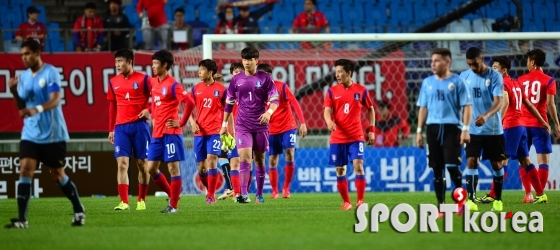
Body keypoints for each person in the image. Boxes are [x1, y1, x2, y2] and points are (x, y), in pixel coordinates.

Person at [5, 40, 85, 228]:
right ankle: (22, 220)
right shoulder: (23, 77)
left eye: (27, 54)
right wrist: (14, 91)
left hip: (52, 133)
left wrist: (37, 109)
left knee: (57, 175)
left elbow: (56, 100)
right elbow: (22, 108)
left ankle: (79, 209)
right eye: (22, 55)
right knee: (25, 169)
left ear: (37, 53)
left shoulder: (50, 73)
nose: (24, 58)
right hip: (31, 132)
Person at [476, 56, 549, 204]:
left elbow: (505, 102)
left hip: (510, 127)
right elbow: (528, 104)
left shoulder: (502, 84)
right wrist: (543, 121)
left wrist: (496, 123)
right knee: (525, 161)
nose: (492, 70)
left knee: (501, 161)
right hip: (521, 127)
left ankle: (492, 194)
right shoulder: (516, 83)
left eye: (496, 68)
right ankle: (541, 195)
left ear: (504, 70)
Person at [219, 47, 279, 203]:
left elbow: (275, 100)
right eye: (244, 59)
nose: (246, 63)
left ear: (256, 61)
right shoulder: (236, 79)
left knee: (259, 160)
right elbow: (229, 103)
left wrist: (268, 113)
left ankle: (259, 194)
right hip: (242, 125)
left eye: (250, 59)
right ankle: (243, 194)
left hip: (260, 125)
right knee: (245, 158)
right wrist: (224, 124)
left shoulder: (265, 78)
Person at [416, 48, 471, 216]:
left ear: (447, 62)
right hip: (432, 129)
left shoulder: (458, 82)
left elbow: (467, 106)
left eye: (437, 61)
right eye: (432, 61)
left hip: (452, 128)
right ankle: (441, 207)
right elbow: (423, 108)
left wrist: (465, 129)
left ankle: (460, 202)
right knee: (437, 170)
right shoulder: (427, 82)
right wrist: (419, 131)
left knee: (453, 167)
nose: (433, 64)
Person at [146, 50, 194, 213]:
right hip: (157, 134)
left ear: (164, 65)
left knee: (173, 168)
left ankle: (173, 205)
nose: (153, 66)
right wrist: (151, 114)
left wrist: (181, 122)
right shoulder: (153, 82)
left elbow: (190, 102)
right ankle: (172, 194)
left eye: (155, 63)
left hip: (171, 133)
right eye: (152, 63)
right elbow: (154, 104)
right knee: (151, 168)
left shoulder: (173, 84)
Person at [323, 59, 375, 210]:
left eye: (340, 72)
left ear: (349, 73)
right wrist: (328, 122)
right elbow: (327, 109)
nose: (337, 75)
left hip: (355, 136)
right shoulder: (332, 91)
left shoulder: (361, 90)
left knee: (358, 165)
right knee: (340, 169)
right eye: (336, 72)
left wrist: (371, 130)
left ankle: (360, 201)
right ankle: (346, 202)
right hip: (337, 137)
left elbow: (370, 109)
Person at [459, 47, 506, 212]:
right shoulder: (463, 76)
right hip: (472, 130)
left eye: (475, 64)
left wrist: (486, 116)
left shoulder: (495, 76)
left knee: (497, 165)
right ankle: (471, 200)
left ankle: (498, 200)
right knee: (471, 161)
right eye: (469, 64)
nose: (472, 67)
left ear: (482, 59)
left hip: (492, 129)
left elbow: (498, 101)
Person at [107, 49, 152, 211]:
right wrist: (111, 129)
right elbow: (112, 106)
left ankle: (141, 199)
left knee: (142, 164)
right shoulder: (113, 82)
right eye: (116, 62)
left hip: (140, 126)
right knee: (122, 164)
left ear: (130, 62)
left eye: (120, 61)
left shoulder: (144, 79)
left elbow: (161, 94)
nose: (117, 65)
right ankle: (124, 202)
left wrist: (150, 109)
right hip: (121, 128)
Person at [257, 63, 307, 199]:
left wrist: (302, 122)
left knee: (290, 153)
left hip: (287, 126)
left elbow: (295, 102)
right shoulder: (257, 91)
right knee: (273, 160)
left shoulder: (281, 86)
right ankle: (275, 191)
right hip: (271, 130)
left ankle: (286, 188)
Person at [516, 49, 560, 203]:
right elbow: (550, 104)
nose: (527, 64)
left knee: (523, 159)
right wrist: (557, 124)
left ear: (533, 62)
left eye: (528, 61)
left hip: (521, 125)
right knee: (543, 160)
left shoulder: (520, 80)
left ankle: (528, 194)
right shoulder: (549, 80)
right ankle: (540, 195)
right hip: (540, 124)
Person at [188, 59, 227, 204]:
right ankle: (209, 190)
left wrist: (225, 127)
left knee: (212, 160)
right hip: (199, 132)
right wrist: (192, 123)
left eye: (202, 69)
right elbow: (188, 109)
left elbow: (228, 110)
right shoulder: (195, 88)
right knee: (201, 167)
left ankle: (211, 195)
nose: (199, 71)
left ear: (210, 72)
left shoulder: (222, 90)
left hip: (215, 131)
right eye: (199, 69)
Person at [217, 62, 246, 201]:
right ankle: (235, 191)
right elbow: (227, 112)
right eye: (235, 72)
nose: (238, 74)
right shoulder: (230, 92)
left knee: (247, 162)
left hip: (246, 129)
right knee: (229, 159)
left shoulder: (248, 88)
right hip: (230, 131)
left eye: (240, 71)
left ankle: (241, 191)